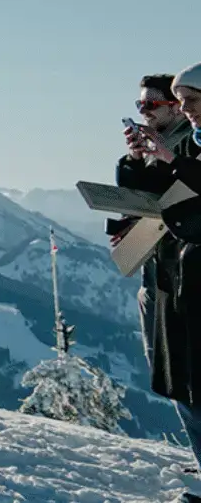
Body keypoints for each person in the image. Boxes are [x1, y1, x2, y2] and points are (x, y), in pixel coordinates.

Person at [124, 64, 201, 500]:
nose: (145, 113)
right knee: (177, 377)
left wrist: (170, 163)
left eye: (152, 104)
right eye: (140, 106)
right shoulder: (168, 148)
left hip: (186, 272)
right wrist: (135, 162)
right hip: (163, 270)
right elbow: (143, 199)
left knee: (189, 379)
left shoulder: (188, 146)